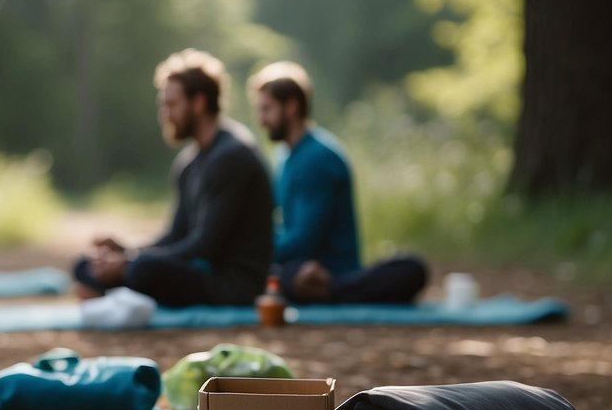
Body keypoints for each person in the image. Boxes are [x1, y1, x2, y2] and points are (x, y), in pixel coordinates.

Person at [73, 49, 274, 307]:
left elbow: (204, 245)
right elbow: (176, 235)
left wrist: (131, 262)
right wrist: (124, 250)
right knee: (86, 264)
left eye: (172, 105)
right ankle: (115, 284)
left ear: (199, 102)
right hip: (199, 271)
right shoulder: (188, 162)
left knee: (143, 270)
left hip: (231, 284)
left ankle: (113, 289)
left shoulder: (232, 156)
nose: (165, 114)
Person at [247, 61, 428, 304]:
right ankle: (326, 289)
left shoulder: (318, 158)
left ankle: (333, 288)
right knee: (273, 276)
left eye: (267, 109)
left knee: (412, 269)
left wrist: (253, 253)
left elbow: (304, 238)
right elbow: (282, 226)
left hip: (331, 269)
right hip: (298, 265)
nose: (262, 120)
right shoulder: (285, 158)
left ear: (291, 106)